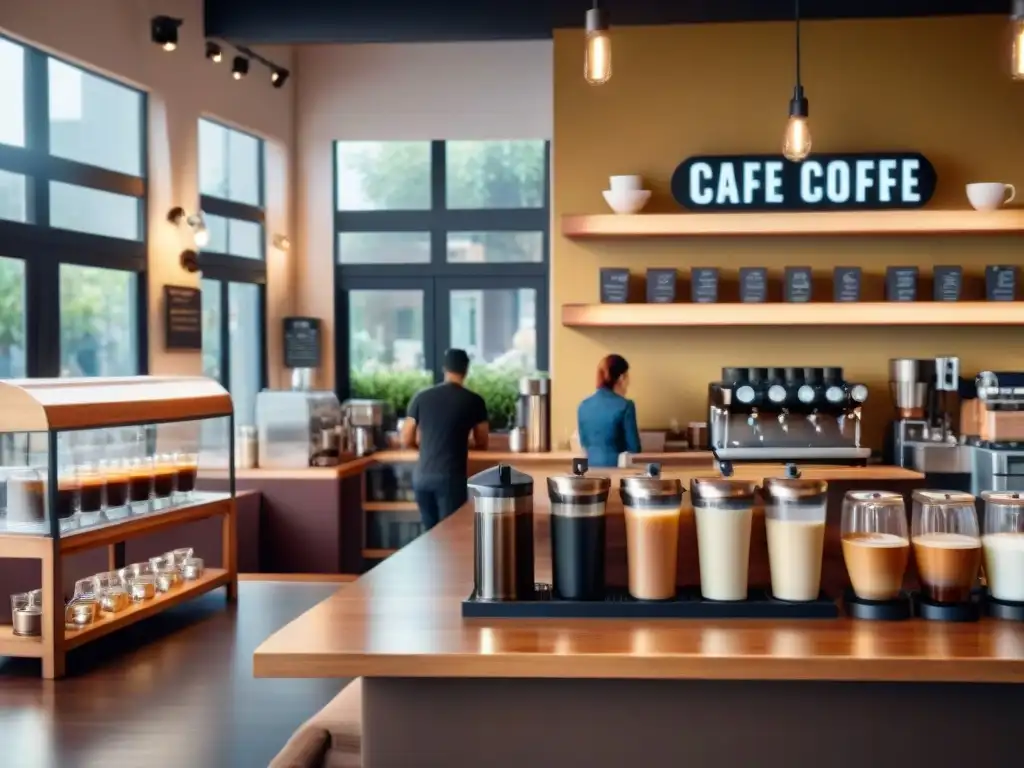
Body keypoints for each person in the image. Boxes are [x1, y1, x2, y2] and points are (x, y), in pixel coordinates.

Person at [400, 348, 489, 530]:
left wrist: (424, 447)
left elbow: (406, 437)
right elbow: (482, 440)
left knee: (429, 533)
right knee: (449, 534)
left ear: (444, 369)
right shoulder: (474, 401)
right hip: (450, 479)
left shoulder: (421, 397)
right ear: (466, 370)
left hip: (422, 478)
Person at [577, 353, 641, 468]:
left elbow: (584, 444)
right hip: (618, 473)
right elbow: (634, 449)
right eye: (627, 377)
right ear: (621, 378)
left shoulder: (583, 406)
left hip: (591, 474)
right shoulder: (626, 406)